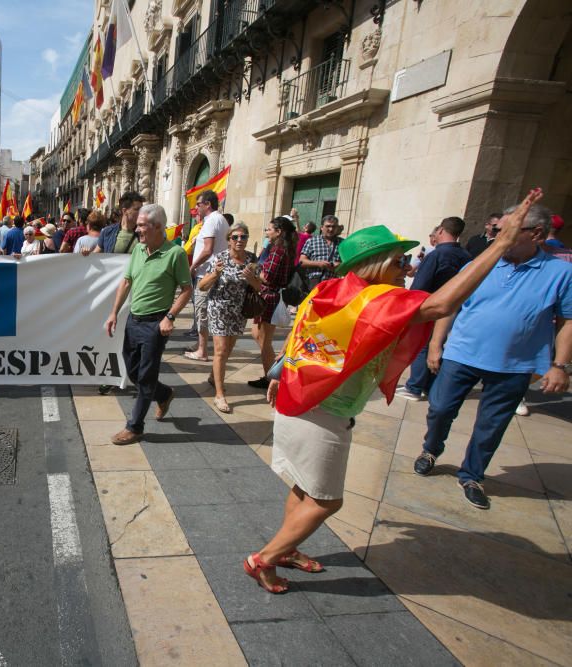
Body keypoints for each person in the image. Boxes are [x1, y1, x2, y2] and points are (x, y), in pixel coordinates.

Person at [244, 189, 545, 594]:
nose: (407, 268)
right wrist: (502, 244)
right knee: (327, 500)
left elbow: (298, 337)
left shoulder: (330, 290)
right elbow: (442, 305)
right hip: (322, 412)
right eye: (401, 261)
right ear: (378, 264)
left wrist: (280, 372)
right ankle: (263, 558)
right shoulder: (375, 300)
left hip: (297, 401)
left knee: (305, 486)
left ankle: (288, 547)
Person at [414, 197, 570, 510]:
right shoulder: (479, 264)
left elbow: (567, 320)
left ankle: (472, 475)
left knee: (491, 425)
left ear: (536, 234)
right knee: (440, 407)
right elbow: (450, 304)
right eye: (497, 229)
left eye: (506, 230)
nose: (497, 236)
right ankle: (431, 448)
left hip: (514, 365)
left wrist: (559, 365)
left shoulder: (560, 273)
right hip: (461, 354)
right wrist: (435, 344)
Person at [104, 204, 192, 445]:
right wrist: (113, 313)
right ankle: (164, 394)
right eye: (138, 225)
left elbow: (187, 289)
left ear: (158, 227)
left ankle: (135, 427)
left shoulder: (175, 254)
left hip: (156, 324)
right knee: (133, 371)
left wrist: (170, 317)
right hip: (134, 320)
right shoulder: (138, 251)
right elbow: (126, 281)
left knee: (145, 377)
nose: (137, 229)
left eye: (142, 225)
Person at [397, 217, 471, 401]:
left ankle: (414, 386)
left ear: (440, 231)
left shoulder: (437, 255)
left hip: (431, 306)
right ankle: (430, 385)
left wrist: (410, 306)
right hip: (453, 308)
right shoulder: (466, 256)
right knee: (438, 345)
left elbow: (420, 285)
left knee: (423, 345)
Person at [196, 221, 261, 413]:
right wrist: (215, 273)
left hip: (239, 311)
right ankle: (219, 394)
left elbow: (258, 288)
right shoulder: (220, 258)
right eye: (235, 237)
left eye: (243, 237)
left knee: (228, 350)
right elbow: (202, 286)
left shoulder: (251, 259)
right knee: (221, 351)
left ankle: (212, 376)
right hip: (219, 308)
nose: (240, 240)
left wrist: (251, 279)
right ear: (229, 240)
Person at [248, 216, 298, 389]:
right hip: (271, 296)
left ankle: (273, 377)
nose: (267, 232)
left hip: (269, 297)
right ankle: (272, 373)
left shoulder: (277, 250)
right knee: (258, 335)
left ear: (279, 232)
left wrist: (255, 271)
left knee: (264, 342)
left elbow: (267, 277)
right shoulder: (283, 249)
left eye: (269, 229)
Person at [184, 190, 230, 363]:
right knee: (205, 311)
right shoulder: (220, 219)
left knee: (202, 311)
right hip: (212, 273)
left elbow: (208, 249)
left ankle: (202, 350)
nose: (196, 208)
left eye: (198, 204)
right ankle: (200, 346)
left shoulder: (212, 221)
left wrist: (193, 266)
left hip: (206, 274)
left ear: (208, 205)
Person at [299, 215, 342, 288]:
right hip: (314, 282)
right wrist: (318, 263)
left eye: (333, 226)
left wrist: (339, 265)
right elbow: (302, 261)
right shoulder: (312, 241)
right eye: (328, 226)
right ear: (322, 227)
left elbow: (348, 263)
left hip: (333, 283)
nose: (331, 229)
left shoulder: (342, 243)